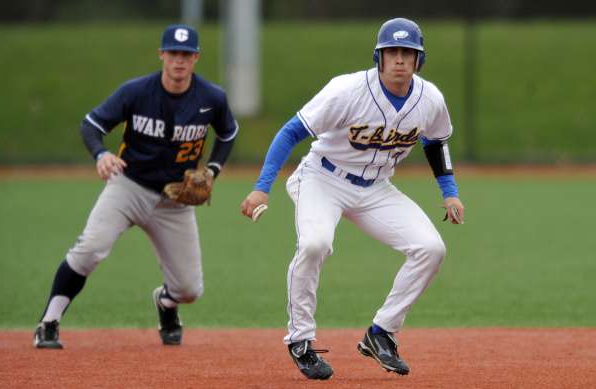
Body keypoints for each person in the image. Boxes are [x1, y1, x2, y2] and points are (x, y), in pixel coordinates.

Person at [241, 18, 465, 380]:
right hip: (322, 178)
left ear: (419, 60)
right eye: (392, 51)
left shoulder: (429, 99)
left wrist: (449, 192)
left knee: (431, 248)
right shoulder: (346, 90)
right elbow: (291, 132)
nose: (399, 60)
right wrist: (261, 185)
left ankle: (381, 333)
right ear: (378, 56)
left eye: (408, 53)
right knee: (315, 244)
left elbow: (436, 141)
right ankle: (300, 340)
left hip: (376, 188)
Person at [34, 24, 238, 349]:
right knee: (90, 250)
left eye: (186, 54)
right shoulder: (136, 92)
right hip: (128, 187)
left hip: (175, 199)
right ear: (161, 54)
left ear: (196, 57)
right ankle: (49, 322)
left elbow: (227, 133)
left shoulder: (211, 97)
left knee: (189, 290)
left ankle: (166, 305)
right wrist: (100, 153)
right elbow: (91, 125)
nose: (179, 61)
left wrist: (212, 169)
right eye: (173, 53)